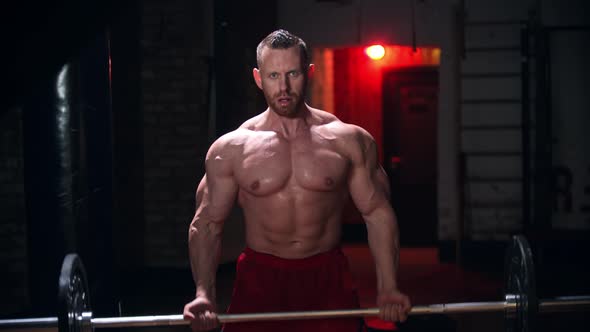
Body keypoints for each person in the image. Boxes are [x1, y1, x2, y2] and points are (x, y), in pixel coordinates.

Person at [183, 29, 411, 332]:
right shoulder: (232, 149)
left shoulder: (347, 141)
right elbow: (207, 224)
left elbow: (377, 213)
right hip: (260, 278)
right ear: (258, 77)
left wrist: (388, 286)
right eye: (274, 75)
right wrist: (204, 295)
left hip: (326, 275)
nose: (284, 87)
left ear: (309, 72)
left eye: (292, 73)